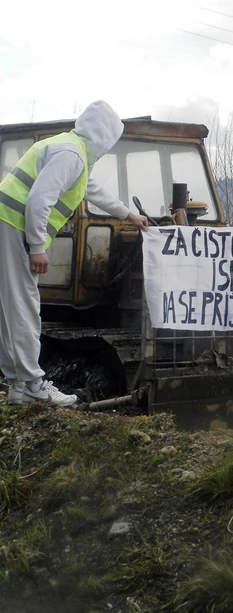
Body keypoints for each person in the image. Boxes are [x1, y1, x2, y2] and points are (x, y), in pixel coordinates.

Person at [0, 100, 148, 407]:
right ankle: (32, 384)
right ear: (104, 135)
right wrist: (38, 247)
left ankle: (17, 384)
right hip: (13, 224)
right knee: (24, 305)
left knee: (10, 306)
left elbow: (91, 190)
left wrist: (128, 215)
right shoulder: (70, 155)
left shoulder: (73, 152)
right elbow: (39, 201)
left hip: (7, 222)